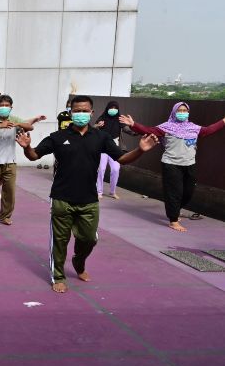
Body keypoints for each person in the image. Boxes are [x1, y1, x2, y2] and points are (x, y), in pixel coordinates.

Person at [16, 95, 159, 293]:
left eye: (84, 111)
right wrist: (27, 147)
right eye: (77, 111)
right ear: (70, 113)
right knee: (60, 241)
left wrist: (141, 150)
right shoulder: (57, 137)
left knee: (90, 238)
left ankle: (78, 260)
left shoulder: (101, 137)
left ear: (91, 113)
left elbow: (122, 158)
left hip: (89, 200)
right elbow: (34, 156)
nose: (80, 114)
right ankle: (58, 275)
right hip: (61, 198)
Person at [120, 103, 225, 232]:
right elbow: (148, 130)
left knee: (188, 192)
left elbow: (209, 130)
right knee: (174, 193)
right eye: (179, 110)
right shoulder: (166, 128)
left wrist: (223, 121)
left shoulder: (194, 128)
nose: (182, 112)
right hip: (171, 164)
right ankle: (173, 220)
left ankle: (175, 210)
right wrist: (133, 124)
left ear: (188, 112)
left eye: (184, 110)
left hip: (189, 164)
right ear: (174, 112)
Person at [0, 94, 36, 226]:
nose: (4, 108)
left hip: (10, 162)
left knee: (9, 192)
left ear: (11, 108)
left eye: (7, 106)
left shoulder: (14, 119)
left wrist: (19, 124)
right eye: (1, 105)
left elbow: (30, 127)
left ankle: (5, 216)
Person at [94, 101, 129, 200]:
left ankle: (112, 191)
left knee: (115, 169)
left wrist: (136, 131)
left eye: (115, 108)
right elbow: (93, 128)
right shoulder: (102, 118)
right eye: (111, 107)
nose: (113, 110)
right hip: (102, 148)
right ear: (107, 108)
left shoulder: (119, 119)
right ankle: (99, 191)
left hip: (115, 148)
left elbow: (126, 129)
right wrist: (97, 126)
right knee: (101, 169)